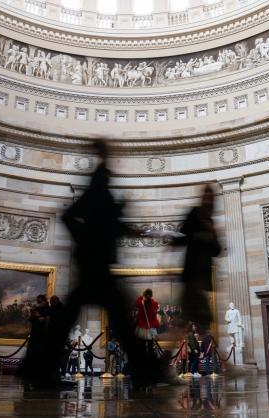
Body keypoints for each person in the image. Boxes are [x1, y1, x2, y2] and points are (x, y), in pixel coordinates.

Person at [34, 139, 160, 390]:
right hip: (95, 266)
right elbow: (74, 216)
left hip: (95, 265)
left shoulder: (101, 194)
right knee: (120, 320)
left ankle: (38, 371)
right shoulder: (97, 192)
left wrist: (130, 228)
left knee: (82, 320)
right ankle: (146, 372)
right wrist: (86, 241)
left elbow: (110, 224)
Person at [172, 185, 221, 332]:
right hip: (192, 276)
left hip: (202, 278)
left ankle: (167, 353)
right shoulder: (194, 214)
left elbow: (217, 250)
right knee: (196, 320)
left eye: (209, 198)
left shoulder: (210, 222)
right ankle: (167, 353)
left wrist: (212, 233)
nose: (207, 201)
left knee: (197, 321)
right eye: (205, 197)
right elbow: (183, 236)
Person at [135, 289, 160, 357]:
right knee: (150, 346)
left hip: (142, 327)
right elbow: (154, 312)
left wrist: (141, 296)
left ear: (145, 295)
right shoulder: (155, 303)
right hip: (150, 327)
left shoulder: (141, 303)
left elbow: (136, 303)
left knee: (142, 346)